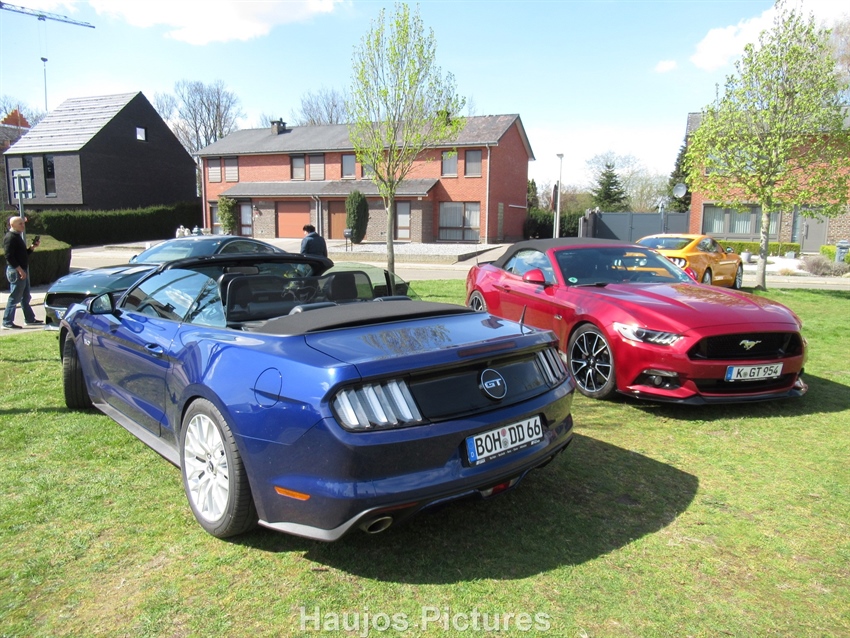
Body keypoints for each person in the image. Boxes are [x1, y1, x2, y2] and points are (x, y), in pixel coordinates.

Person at [3, 215, 42, 329]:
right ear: (12, 225)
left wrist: (32, 248)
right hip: (16, 271)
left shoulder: (17, 236)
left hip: (22, 270)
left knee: (25, 297)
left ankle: (29, 319)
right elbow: (9, 257)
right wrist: (20, 270)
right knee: (14, 297)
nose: (23, 225)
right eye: (20, 224)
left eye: (23, 223)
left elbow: (22, 255)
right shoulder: (10, 237)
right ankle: (7, 321)